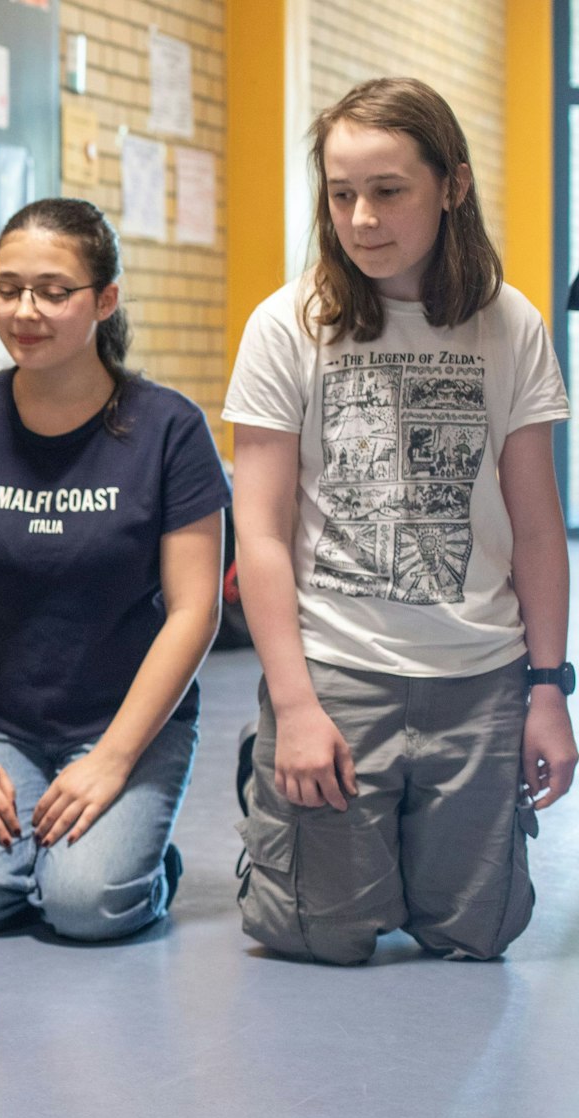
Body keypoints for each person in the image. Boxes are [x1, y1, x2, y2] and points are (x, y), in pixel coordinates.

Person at [225, 77, 575, 965]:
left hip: (479, 672)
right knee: (323, 936)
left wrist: (546, 689)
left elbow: (539, 527)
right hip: (340, 672)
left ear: (452, 185)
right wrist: (295, 705)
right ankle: (268, 771)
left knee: (476, 933)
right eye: (341, 194)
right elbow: (260, 533)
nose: (362, 218)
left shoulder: (510, 323)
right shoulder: (288, 323)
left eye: (389, 191)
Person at [0, 199, 229, 941]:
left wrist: (112, 761)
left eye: (53, 290)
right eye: (8, 288)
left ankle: (138, 861)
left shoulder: (170, 429)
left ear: (104, 300)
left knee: (87, 904)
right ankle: (50, 844)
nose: (25, 310)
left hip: (125, 719)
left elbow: (194, 610)